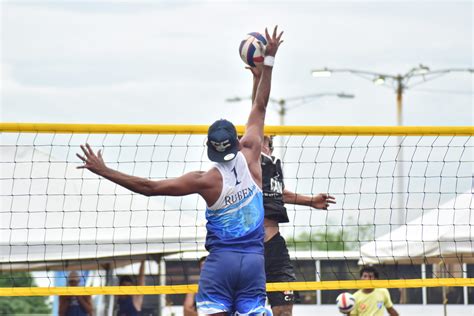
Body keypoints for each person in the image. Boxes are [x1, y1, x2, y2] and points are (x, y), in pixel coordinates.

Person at [76, 25, 284, 316]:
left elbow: (149, 188)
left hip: (220, 264)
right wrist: (267, 65)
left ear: (210, 146)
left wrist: (103, 170)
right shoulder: (251, 151)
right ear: (237, 142)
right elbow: (259, 106)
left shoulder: (205, 180)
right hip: (253, 262)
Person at [247, 67, 336, 316]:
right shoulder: (248, 161)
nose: (264, 139)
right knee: (247, 309)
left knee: (284, 311)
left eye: (267, 139)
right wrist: (258, 77)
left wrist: (310, 201)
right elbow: (257, 112)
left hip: (275, 245)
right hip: (249, 246)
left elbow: (280, 193)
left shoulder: (272, 164)